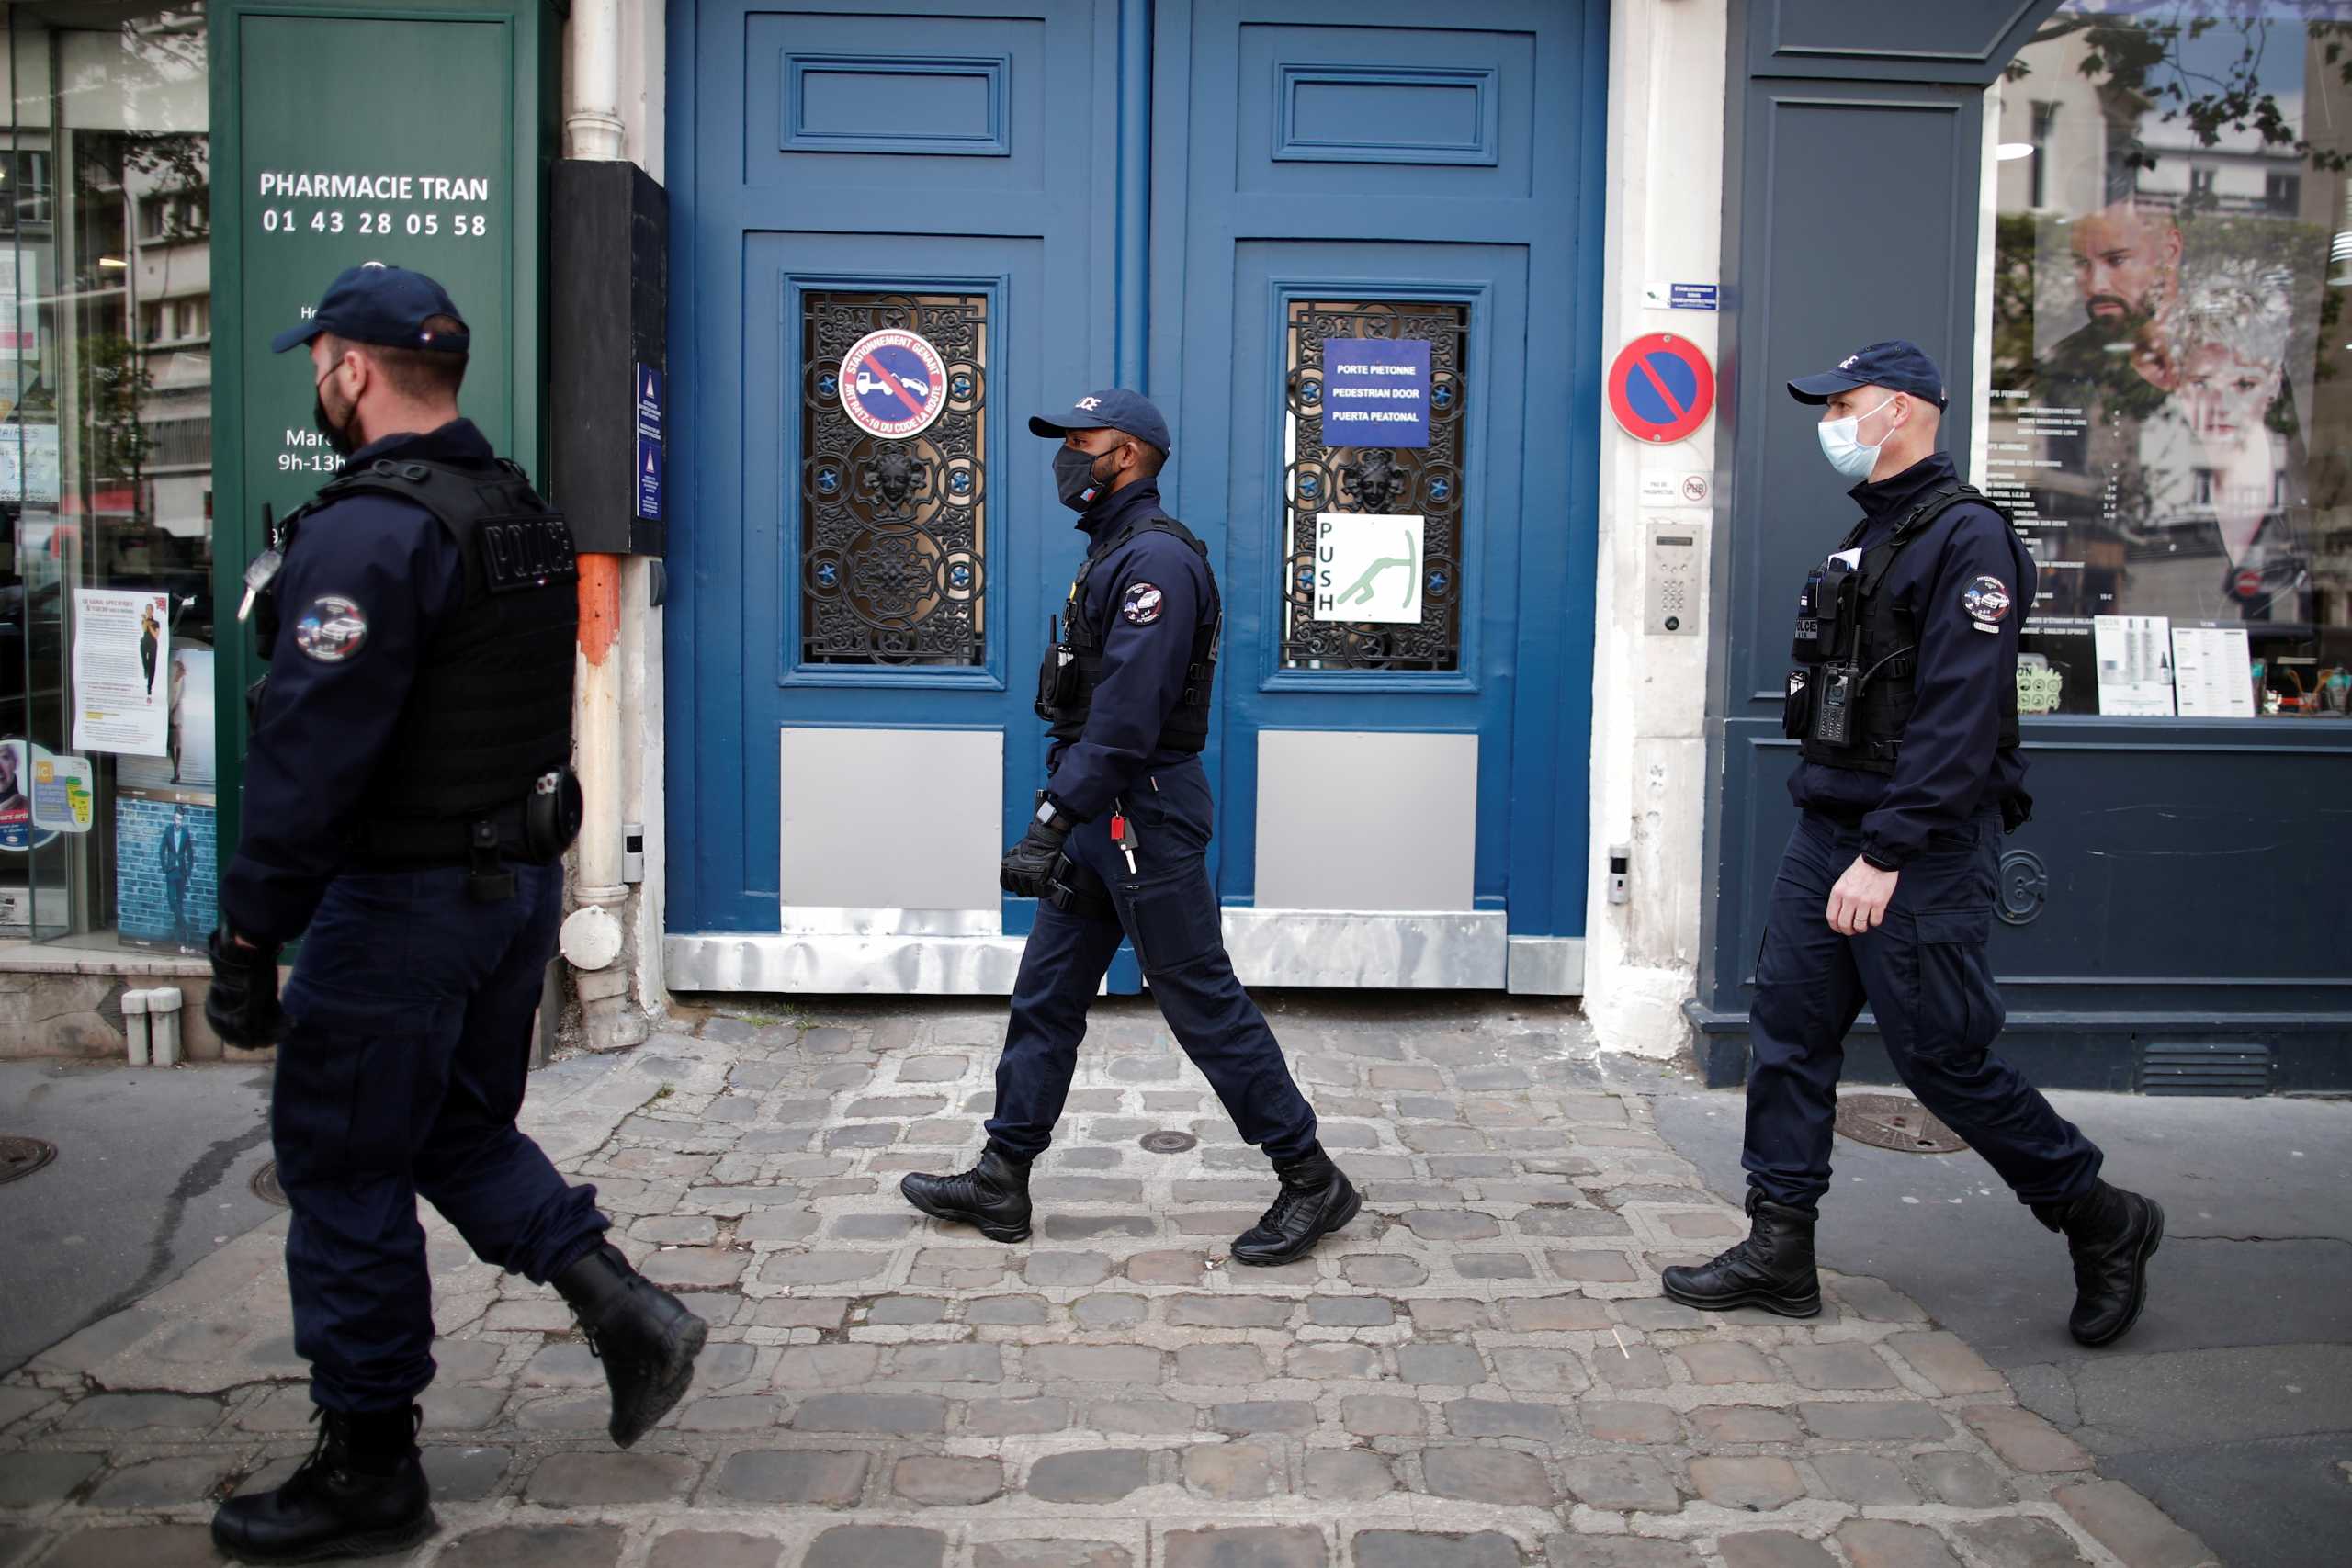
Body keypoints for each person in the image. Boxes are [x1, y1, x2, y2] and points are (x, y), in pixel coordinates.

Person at [204, 265, 705, 1564]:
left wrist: (252, 934)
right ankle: (627, 1308)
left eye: (320, 357)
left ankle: (369, 1463)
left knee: (346, 1161)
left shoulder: (371, 533)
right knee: (456, 1128)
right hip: (507, 894)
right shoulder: (514, 505)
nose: (320, 377)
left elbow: (311, 756)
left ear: (352, 369)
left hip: (404, 905)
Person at [1660, 341, 2163, 1348]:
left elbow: (1959, 717)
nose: (1830, 423)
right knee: (1789, 1037)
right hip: (1829, 829)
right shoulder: (1876, 532)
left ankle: (2100, 1217)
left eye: (1842, 404)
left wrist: (1884, 854)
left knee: (1941, 1061)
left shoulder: (1968, 539)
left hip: (1914, 847)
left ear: (1899, 410)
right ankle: (1779, 1247)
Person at [899, 389, 1360, 1266]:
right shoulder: (1111, 551)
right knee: (1046, 995)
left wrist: (1050, 817)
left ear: (1131, 455)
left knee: (1199, 1001)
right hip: (1099, 816)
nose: (1068, 456)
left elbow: (1124, 720)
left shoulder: (1155, 564)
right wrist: (1066, 817)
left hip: (1137, 811)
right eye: (1066, 441)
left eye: (1084, 441)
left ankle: (1310, 1177)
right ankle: (1003, 1172)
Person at [159, 803, 194, 941]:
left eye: (181, 819)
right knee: (172, 901)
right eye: (177, 819)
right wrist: (164, 867)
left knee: (179, 902)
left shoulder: (186, 833)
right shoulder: (168, 831)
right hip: (171, 871)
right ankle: (183, 925)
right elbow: (161, 850)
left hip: (182, 872)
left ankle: (179, 933)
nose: (179, 822)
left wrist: (188, 872)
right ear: (173, 818)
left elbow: (190, 854)